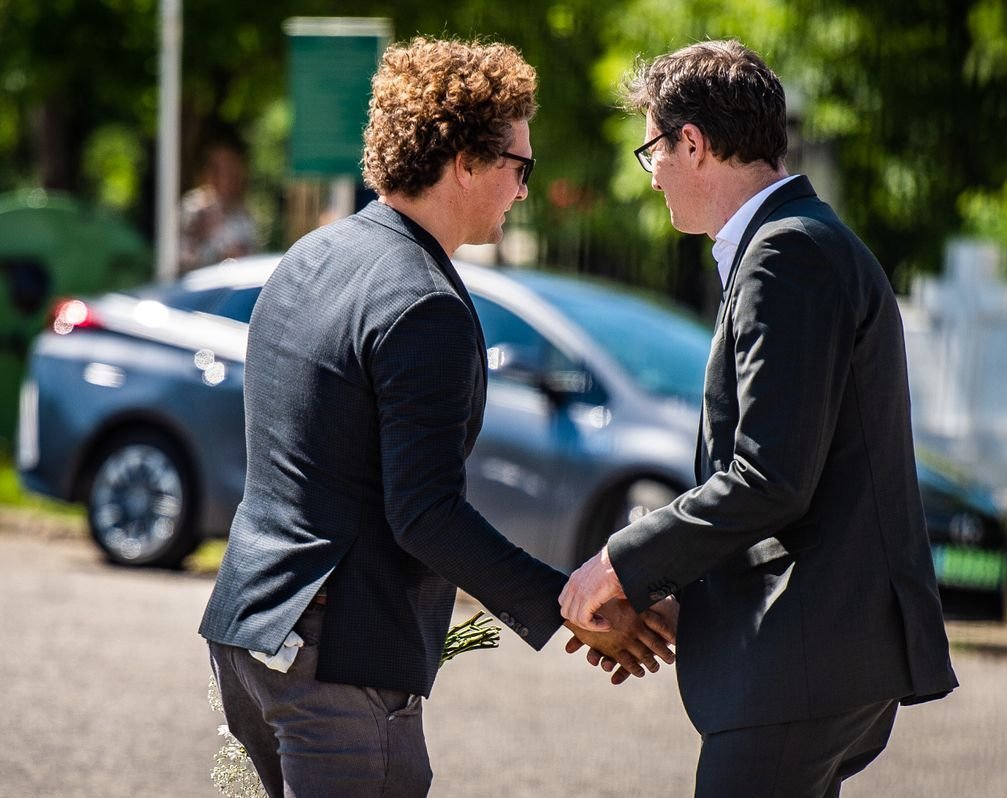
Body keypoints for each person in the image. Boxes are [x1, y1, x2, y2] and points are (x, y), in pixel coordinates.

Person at [199, 37, 672, 798]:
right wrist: (566, 604)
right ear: (466, 162)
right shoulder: (426, 304)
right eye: (520, 166)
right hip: (334, 655)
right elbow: (423, 514)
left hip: (247, 631)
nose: (523, 190)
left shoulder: (310, 256)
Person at [559, 40, 959, 797]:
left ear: (692, 143)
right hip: (815, 653)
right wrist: (685, 596)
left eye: (653, 151)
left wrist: (620, 563)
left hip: (803, 656)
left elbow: (771, 477)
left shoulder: (787, 253)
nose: (653, 176)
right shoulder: (796, 241)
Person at [179, 139, 258, 273]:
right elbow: (179, 259)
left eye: (232, 169)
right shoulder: (193, 209)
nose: (228, 177)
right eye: (220, 170)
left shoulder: (242, 211)